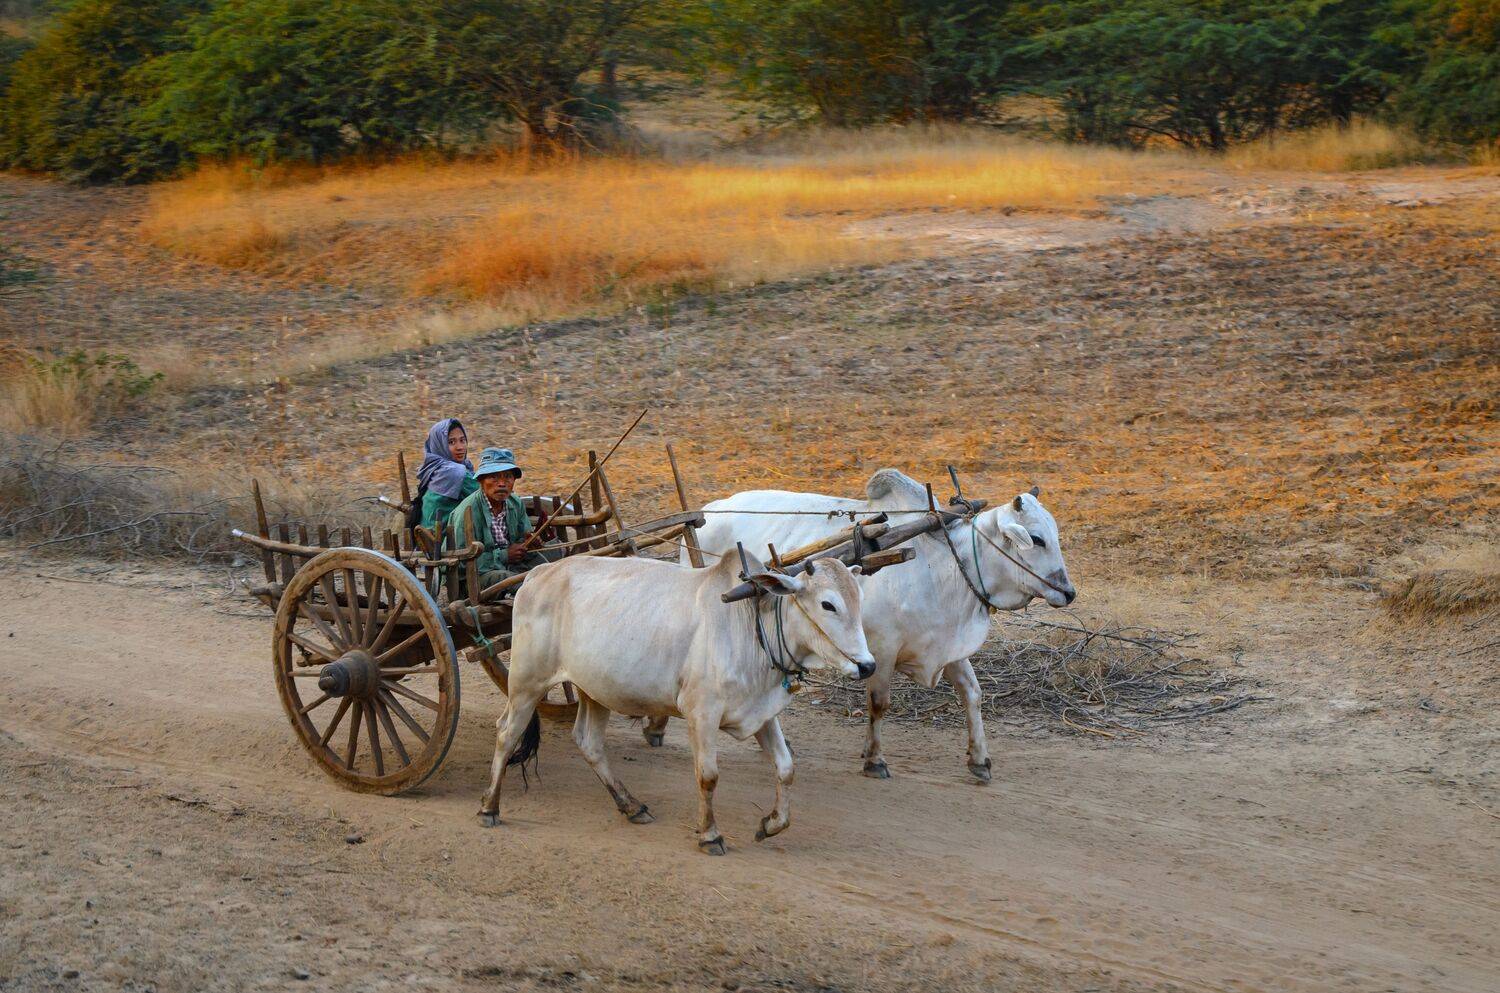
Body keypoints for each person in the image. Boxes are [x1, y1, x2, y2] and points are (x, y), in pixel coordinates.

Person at [447, 447, 548, 590]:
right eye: (494, 477)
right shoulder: (467, 511)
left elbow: (522, 539)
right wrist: (504, 555)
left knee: (549, 570)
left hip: (511, 567)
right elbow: (461, 561)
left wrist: (529, 543)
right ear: (481, 480)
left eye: (508, 476)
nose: (501, 483)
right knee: (511, 580)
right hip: (474, 578)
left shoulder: (515, 503)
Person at [416, 418, 477, 530]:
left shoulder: (434, 467)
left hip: (429, 538)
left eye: (462, 440)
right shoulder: (453, 472)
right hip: (443, 541)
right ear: (439, 445)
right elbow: (487, 493)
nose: (460, 447)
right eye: (451, 442)